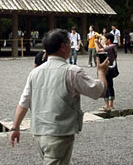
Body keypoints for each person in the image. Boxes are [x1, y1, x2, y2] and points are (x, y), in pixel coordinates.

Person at [10, 29, 108, 164]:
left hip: (39, 132)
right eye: (69, 42)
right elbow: (99, 91)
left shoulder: (35, 73)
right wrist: (101, 72)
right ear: (63, 46)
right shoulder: (72, 71)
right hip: (59, 133)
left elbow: (24, 102)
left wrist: (15, 127)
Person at [95, 33, 117, 111]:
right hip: (112, 68)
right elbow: (104, 48)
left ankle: (107, 105)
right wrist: (99, 43)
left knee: (106, 86)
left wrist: (95, 43)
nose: (103, 40)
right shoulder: (113, 46)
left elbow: (98, 50)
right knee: (110, 85)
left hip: (107, 69)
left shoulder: (110, 47)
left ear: (108, 40)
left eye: (105, 39)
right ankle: (111, 104)